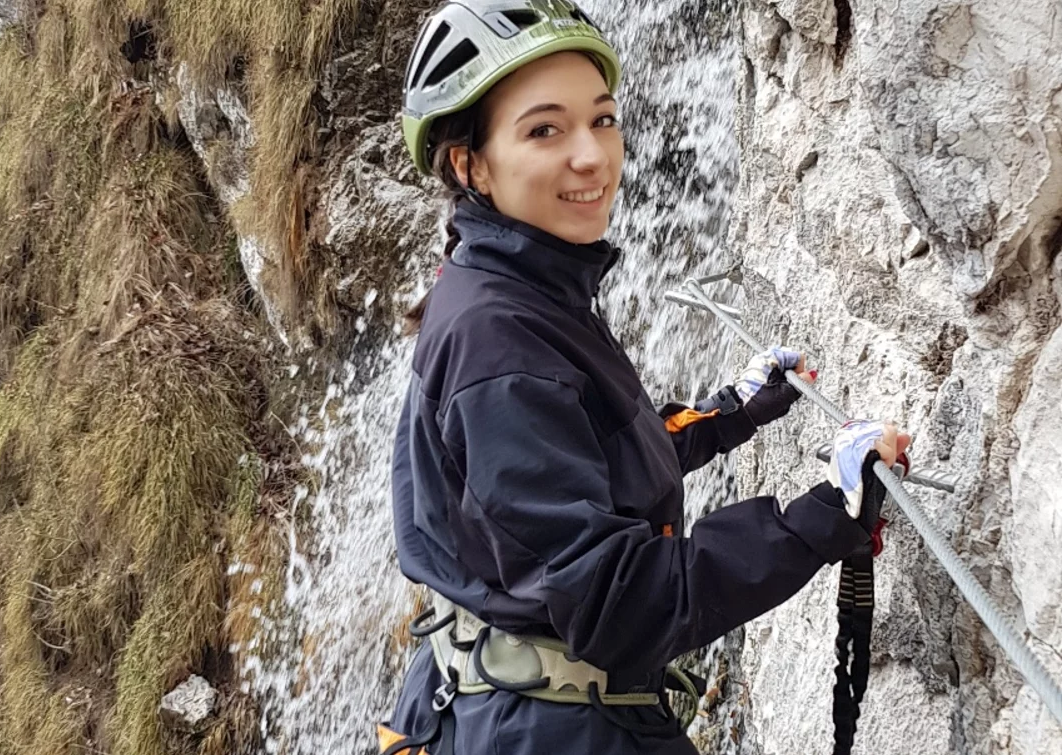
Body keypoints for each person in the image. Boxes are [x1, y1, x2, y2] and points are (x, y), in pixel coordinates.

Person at [379, 2, 911, 753]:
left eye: (601, 119)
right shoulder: (496, 340)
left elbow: (582, 460)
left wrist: (729, 412)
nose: (592, 157)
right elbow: (619, 600)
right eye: (544, 130)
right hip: (548, 730)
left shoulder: (517, 286)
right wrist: (821, 515)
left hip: (505, 700)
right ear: (471, 165)